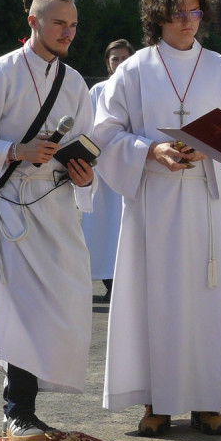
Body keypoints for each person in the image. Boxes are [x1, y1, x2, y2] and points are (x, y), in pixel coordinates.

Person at [93, 0, 221, 438]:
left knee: (206, 301)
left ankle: (208, 403)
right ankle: (156, 403)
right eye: (179, 13)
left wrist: (213, 151)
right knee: (156, 301)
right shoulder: (135, 70)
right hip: (153, 203)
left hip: (204, 203)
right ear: (159, 17)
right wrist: (150, 150)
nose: (188, 21)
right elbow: (105, 133)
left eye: (195, 11)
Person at [0, 0, 95, 441]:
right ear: (34, 22)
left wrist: (84, 175)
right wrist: (14, 150)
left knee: (65, 302)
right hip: (12, 208)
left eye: (74, 24)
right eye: (59, 22)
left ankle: (29, 407)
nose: (68, 32)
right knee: (19, 307)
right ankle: (17, 411)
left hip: (58, 205)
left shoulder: (76, 83)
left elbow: (86, 144)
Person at [81, 39, 134, 300]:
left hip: (131, 168)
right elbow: (91, 129)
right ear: (107, 62)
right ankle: (108, 280)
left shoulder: (140, 89)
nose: (120, 63)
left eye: (125, 58)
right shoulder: (98, 91)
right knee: (104, 228)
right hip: (103, 171)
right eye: (115, 59)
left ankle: (127, 282)